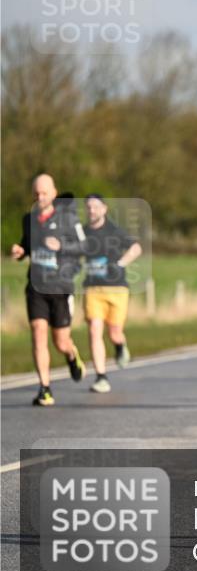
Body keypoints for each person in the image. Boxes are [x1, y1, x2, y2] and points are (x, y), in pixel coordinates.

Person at [10, 174, 87, 406]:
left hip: (60, 286)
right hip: (36, 286)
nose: (40, 197)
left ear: (54, 193)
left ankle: (71, 355)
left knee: (60, 341)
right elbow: (27, 245)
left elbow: (84, 245)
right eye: (36, 193)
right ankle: (44, 388)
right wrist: (20, 251)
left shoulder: (68, 219)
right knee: (38, 332)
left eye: (44, 193)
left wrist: (62, 245)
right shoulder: (29, 220)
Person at [81, 194, 141, 393]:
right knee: (94, 329)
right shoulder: (82, 232)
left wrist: (120, 264)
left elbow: (136, 248)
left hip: (117, 288)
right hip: (92, 289)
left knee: (114, 331)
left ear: (104, 209)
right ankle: (101, 377)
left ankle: (120, 345)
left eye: (95, 206)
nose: (92, 210)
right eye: (88, 207)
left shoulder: (114, 231)